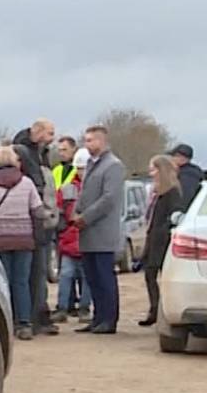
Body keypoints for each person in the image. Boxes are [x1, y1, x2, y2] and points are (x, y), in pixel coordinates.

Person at [0, 146, 47, 339]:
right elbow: (39, 211)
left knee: (3, 283)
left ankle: (6, 322)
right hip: (24, 239)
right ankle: (25, 323)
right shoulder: (27, 183)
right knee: (21, 282)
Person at [9, 119, 60, 336]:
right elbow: (40, 195)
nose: (52, 137)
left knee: (32, 274)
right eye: (49, 133)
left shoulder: (41, 153)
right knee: (32, 274)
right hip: (33, 227)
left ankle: (34, 315)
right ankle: (33, 317)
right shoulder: (29, 158)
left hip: (36, 226)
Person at [73, 125, 124, 334]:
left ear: (102, 141)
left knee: (104, 277)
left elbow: (109, 199)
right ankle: (98, 317)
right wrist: (76, 211)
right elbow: (85, 193)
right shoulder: (92, 164)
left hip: (102, 231)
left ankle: (109, 319)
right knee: (92, 278)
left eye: (91, 140)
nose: (87, 144)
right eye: (86, 140)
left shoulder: (113, 166)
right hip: (88, 232)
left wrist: (85, 217)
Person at [139, 154, 185, 327]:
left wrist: (162, 231)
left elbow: (175, 215)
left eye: (153, 169)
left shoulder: (172, 192)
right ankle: (154, 309)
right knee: (149, 274)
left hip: (162, 242)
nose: (151, 173)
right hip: (154, 240)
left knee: (157, 275)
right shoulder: (158, 193)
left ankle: (159, 311)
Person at [54, 146, 89, 320]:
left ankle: (84, 309)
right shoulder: (67, 189)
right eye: (80, 168)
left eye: (85, 168)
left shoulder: (95, 188)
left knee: (86, 278)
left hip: (86, 239)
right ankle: (63, 308)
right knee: (66, 276)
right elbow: (58, 211)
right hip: (69, 241)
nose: (82, 172)